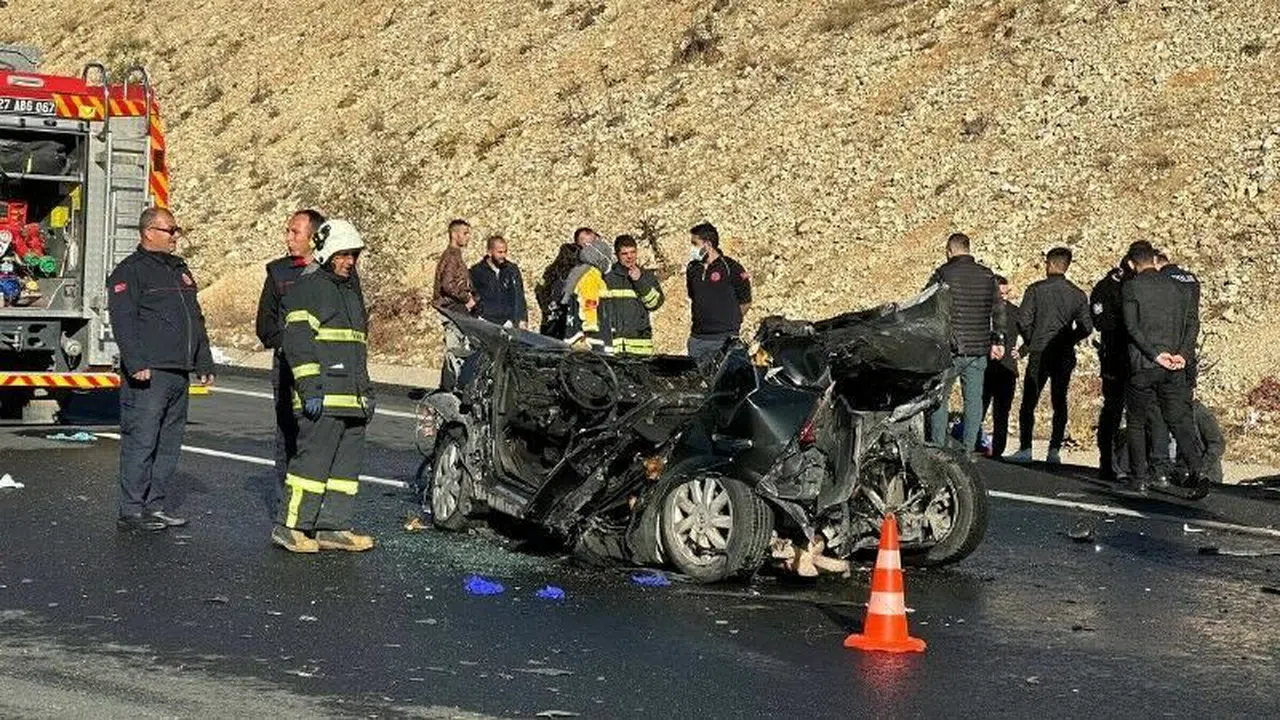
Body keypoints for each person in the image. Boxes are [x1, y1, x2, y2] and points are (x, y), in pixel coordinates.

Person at [107, 207, 215, 532]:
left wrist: (204, 359)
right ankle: (132, 511)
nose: (175, 236)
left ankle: (154, 506)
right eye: (170, 230)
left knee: (169, 443)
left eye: (176, 230)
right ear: (149, 232)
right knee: (141, 441)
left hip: (178, 371)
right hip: (149, 373)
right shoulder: (130, 271)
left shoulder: (179, 269)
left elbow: (195, 318)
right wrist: (136, 362)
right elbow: (123, 320)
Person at [273, 219, 377, 553]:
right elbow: (298, 343)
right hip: (323, 398)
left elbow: (355, 349)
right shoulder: (309, 289)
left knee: (345, 471)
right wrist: (310, 389)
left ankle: (333, 527)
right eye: (344, 255)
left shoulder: (349, 293)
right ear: (327, 253)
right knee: (311, 466)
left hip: (351, 400)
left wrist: (366, 393)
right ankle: (290, 526)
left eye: (353, 255)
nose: (350, 261)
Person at [1121, 244, 1206, 497]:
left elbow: (1132, 327)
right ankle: (1198, 471)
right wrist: (1183, 354)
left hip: (1144, 365)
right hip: (1175, 365)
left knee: (1137, 421)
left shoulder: (1132, 287)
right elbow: (1192, 323)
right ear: (1155, 260)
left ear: (1131, 264)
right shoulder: (1178, 287)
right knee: (1178, 420)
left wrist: (1154, 354)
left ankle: (1139, 478)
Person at [255, 209, 325, 487]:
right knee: (287, 434)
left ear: (314, 237)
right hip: (287, 368)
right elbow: (265, 325)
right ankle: (285, 500)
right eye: (288, 231)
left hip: (324, 367)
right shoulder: (278, 272)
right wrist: (289, 347)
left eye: (295, 232)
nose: (288, 238)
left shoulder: (332, 272)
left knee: (322, 435)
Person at [1008, 247, 1093, 464]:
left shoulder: (1036, 290)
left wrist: (1031, 339)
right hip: (1064, 353)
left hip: (1039, 352)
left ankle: (1026, 448)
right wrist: (1069, 338)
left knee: (1030, 400)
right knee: (1059, 400)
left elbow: (1023, 320)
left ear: (1052, 264)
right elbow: (1086, 327)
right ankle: (1054, 450)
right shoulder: (1077, 294)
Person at [924, 232, 1005, 452]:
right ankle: (969, 449)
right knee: (973, 400)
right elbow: (998, 309)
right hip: (978, 348)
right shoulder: (987, 275)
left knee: (940, 398)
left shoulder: (943, 274)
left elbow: (927, 305)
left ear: (949, 250)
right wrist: (998, 339)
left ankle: (938, 446)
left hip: (948, 349)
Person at [1089, 240, 1152, 482]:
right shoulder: (1109, 286)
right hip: (1117, 356)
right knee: (1114, 410)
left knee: (1139, 412)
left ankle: (1136, 464)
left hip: (1137, 356)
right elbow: (1100, 320)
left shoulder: (1142, 285)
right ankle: (1108, 461)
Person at [685, 222, 751, 361]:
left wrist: (730, 321)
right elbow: (693, 296)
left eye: (695, 244)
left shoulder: (731, 268)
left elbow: (745, 301)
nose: (692, 248)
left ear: (708, 245)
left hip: (724, 340)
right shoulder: (692, 268)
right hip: (697, 339)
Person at [602, 234, 665, 355]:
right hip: (612, 348)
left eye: (633, 252)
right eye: (624, 254)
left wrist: (639, 281)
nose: (630, 257)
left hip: (640, 348)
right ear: (617, 255)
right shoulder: (606, 278)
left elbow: (654, 304)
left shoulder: (647, 276)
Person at [431, 219, 476, 388]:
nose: (468, 237)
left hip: (455, 309)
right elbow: (447, 285)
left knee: (458, 350)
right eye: (465, 233)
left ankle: (451, 387)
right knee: (454, 352)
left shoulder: (455, 255)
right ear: (454, 234)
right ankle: (448, 389)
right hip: (451, 310)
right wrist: (466, 298)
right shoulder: (451, 256)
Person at [981, 275, 1019, 458]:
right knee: (978, 408)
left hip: (1006, 368)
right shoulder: (982, 312)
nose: (1004, 297)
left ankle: (997, 450)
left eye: (1006, 293)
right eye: (1000, 293)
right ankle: (974, 444)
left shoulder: (1015, 312)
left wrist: (1022, 351)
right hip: (985, 367)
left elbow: (1030, 332)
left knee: (1002, 412)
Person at [562, 237, 614, 350]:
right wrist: (590, 327)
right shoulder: (591, 275)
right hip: (590, 336)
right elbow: (589, 301)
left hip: (576, 328)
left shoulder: (580, 271)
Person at [469, 234, 528, 329]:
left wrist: (522, 318)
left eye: (505, 252)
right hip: (485, 320)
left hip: (508, 322)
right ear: (489, 252)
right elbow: (471, 294)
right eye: (500, 252)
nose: (503, 255)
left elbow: (519, 295)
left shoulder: (512, 270)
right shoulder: (477, 271)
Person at [535, 241, 581, 338]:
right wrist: (547, 308)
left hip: (567, 319)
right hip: (553, 319)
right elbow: (539, 289)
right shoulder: (551, 271)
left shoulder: (577, 274)